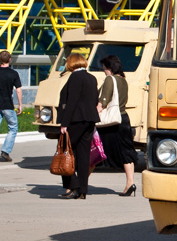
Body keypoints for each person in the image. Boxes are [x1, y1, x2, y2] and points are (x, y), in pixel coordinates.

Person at [57, 53, 99, 200]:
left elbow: (72, 102)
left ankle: (72, 184)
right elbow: (94, 100)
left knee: (64, 150)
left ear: (71, 63)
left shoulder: (75, 77)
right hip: (89, 120)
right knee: (83, 155)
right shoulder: (91, 78)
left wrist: (64, 123)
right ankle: (82, 190)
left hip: (76, 119)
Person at [97, 55, 137, 197]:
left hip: (112, 122)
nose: (103, 71)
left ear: (110, 68)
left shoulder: (110, 79)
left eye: (105, 68)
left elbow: (103, 102)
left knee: (96, 150)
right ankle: (130, 182)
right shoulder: (123, 81)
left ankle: (81, 183)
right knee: (126, 151)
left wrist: (94, 113)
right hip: (124, 118)